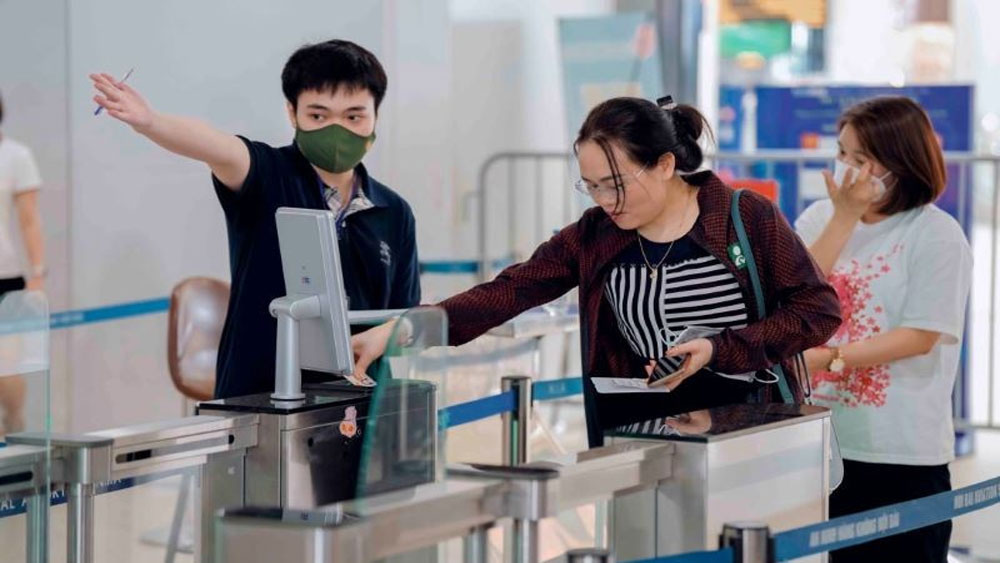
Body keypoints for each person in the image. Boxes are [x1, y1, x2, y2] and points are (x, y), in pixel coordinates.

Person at [353, 96, 841, 446]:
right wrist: (405, 328)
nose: (606, 201)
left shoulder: (743, 217)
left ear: (666, 164)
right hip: (640, 429)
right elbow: (511, 290)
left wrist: (719, 348)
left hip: (746, 427)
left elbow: (817, 311)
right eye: (591, 187)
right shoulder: (596, 234)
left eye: (615, 185)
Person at [90, 40, 421, 399]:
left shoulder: (394, 211)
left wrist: (397, 332)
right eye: (318, 116)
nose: (337, 130)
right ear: (292, 113)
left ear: (375, 117)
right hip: (260, 399)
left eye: (354, 116)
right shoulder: (266, 175)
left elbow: (405, 316)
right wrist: (151, 122)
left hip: (358, 404)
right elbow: (215, 145)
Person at [795, 96, 971, 562]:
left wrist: (833, 357)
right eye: (842, 154)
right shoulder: (819, 218)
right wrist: (844, 218)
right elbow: (795, 302)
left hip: (901, 451)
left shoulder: (936, 233)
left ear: (898, 162)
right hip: (820, 445)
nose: (847, 168)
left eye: (861, 158)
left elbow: (921, 334)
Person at [0, 91, 47, 434]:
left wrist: (37, 275)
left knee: (7, 368)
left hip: (5, 275)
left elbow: (29, 220)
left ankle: (13, 428)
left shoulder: (16, 156)